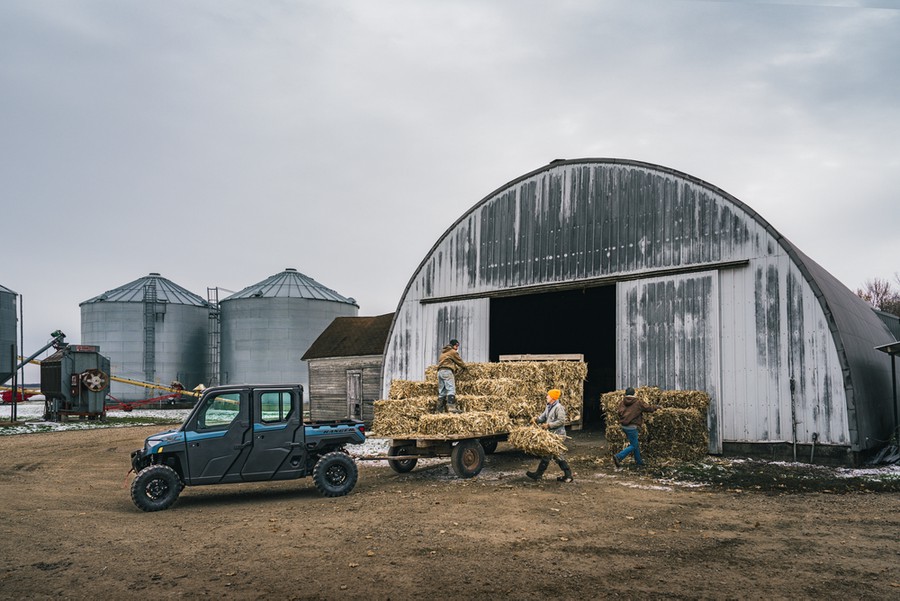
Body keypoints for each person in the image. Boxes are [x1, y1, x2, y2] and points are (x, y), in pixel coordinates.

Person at [526, 389, 573, 483]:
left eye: (548, 395)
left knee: (555, 454)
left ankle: (568, 476)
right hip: (551, 435)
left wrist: (549, 425)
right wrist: (536, 419)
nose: (546, 397)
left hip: (558, 435)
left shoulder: (559, 408)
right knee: (550, 454)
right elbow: (543, 417)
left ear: (553, 398)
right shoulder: (548, 406)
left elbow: (561, 421)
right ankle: (539, 474)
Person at [612, 386, 658, 467]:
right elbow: (649, 408)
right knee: (634, 445)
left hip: (624, 426)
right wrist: (656, 407)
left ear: (626, 394)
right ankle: (618, 457)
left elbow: (619, 413)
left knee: (635, 443)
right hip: (632, 427)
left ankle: (639, 462)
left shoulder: (622, 402)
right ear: (634, 394)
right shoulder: (638, 402)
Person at [436, 339, 467, 413]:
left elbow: (448, 361)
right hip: (447, 371)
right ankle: (451, 408)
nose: (457, 348)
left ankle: (439, 410)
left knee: (442, 391)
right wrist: (465, 367)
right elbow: (459, 361)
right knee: (451, 389)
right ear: (453, 345)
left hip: (440, 372)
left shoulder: (443, 352)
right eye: (456, 346)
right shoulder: (452, 352)